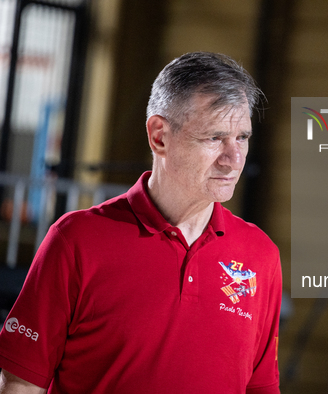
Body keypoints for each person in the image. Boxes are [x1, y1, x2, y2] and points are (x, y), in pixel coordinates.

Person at [0, 52, 282, 394]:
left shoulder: (260, 255)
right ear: (159, 136)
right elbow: (22, 384)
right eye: (214, 138)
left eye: (242, 137)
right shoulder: (77, 241)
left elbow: (261, 388)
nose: (234, 158)